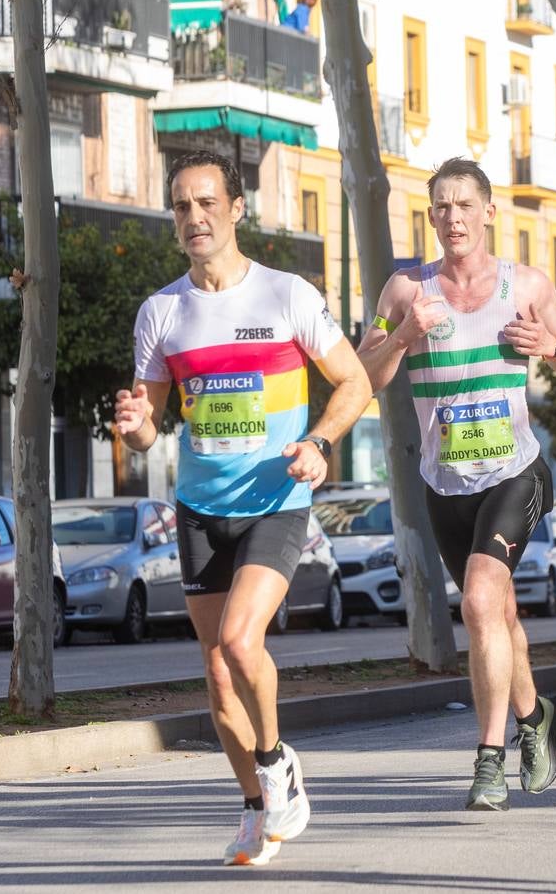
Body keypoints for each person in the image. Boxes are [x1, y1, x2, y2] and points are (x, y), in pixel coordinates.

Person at [115, 150, 372, 865]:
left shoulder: (286, 295)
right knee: (218, 670)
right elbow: (149, 427)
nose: (193, 217)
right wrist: (133, 421)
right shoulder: (162, 311)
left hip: (276, 499)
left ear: (235, 209)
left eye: (205, 203)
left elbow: (353, 382)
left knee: (238, 641)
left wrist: (319, 440)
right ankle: (259, 808)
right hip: (200, 506)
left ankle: (276, 758)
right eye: (180, 206)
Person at [358, 157, 556, 810]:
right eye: (441, 206)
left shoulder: (525, 285)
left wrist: (546, 344)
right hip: (444, 487)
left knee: (483, 600)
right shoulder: (405, 291)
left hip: (516, 473)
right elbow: (363, 375)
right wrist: (403, 334)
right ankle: (534, 716)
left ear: (489, 212)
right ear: (429, 216)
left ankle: (489, 759)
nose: (452, 217)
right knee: (498, 617)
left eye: (464, 205)